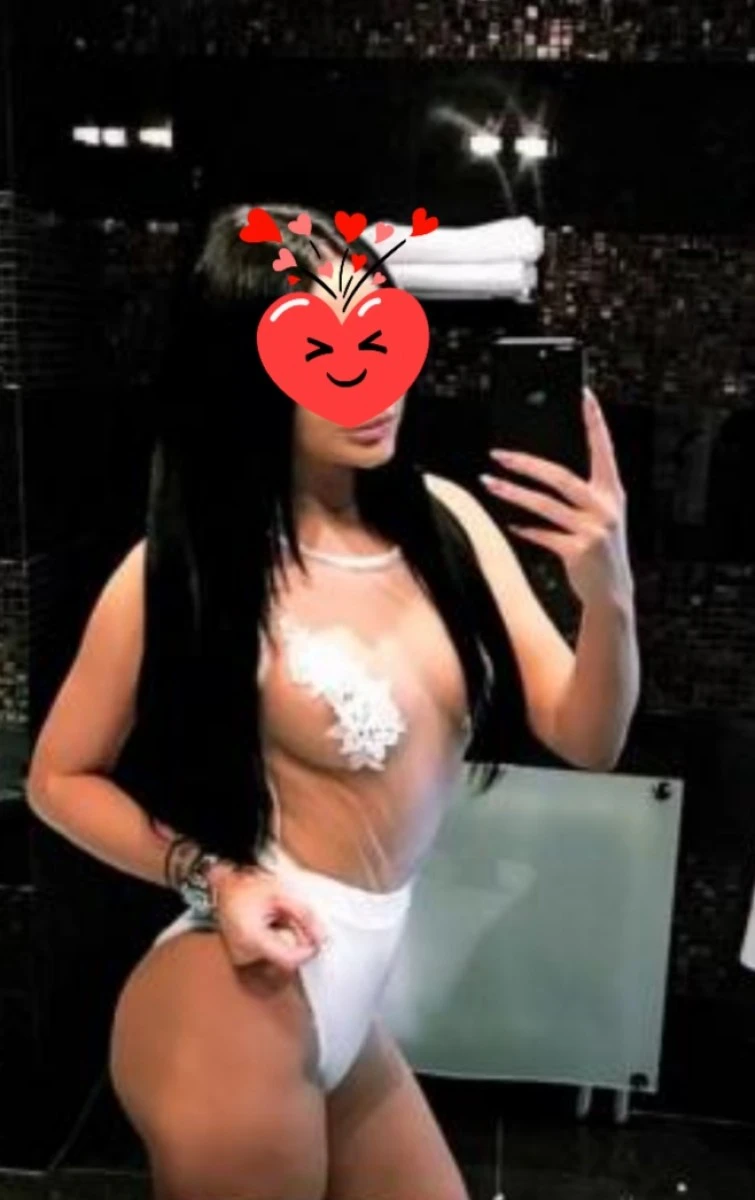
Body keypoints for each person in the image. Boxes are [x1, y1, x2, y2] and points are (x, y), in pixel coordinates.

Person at [25, 202, 639, 1200]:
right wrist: (210, 876)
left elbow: (588, 737)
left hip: (351, 1010)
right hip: (228, 1001)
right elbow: (57, 777)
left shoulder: (446, 521)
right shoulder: (185, 567)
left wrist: (607, 595)